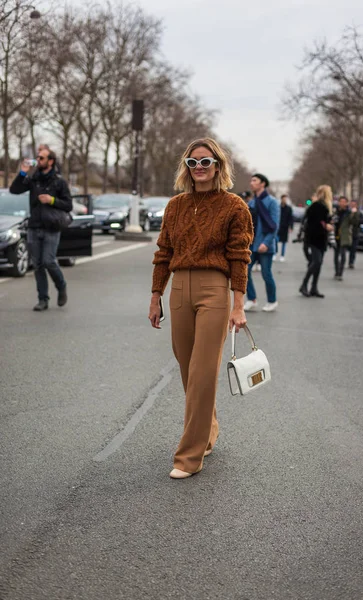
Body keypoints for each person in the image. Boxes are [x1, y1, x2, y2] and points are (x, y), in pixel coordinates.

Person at [148, 138, 253, 479]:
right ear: (187, 169)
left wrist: (239, 305)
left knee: (203, 371)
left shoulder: (235, 207)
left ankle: (188, 457)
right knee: (186, 369)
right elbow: (164, 252)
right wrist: (155, 297)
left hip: (213, 291)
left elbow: (240, 257)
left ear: (219, 166)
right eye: (193, 163)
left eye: (206, 162)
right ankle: (207, 430)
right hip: (179, 289)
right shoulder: (175, 206)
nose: (200, 168)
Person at [10, 148, 72, 311]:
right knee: (37, 264)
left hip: (51, 227)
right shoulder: (33, 179)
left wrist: (51, 200)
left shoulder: (59, 181)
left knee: (49, 261)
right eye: (37, 157)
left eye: (42, 158)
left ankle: (61, 285)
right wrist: (22, 173)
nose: (38, 160)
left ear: (50, 161)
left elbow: (68, 205)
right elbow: (14, 190)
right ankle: (43, 299)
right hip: (34, 226)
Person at [244, 173, 280, 312]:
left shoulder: (272, 202)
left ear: (263, 184)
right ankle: (252, 299)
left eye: (254, 180)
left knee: (266, 274)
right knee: (245, 272)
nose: (251, 183)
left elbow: (274, 225)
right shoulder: (252, 202)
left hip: (266, 245)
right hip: (251, 244)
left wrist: (266, 243)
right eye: (251, 180)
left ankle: (272, 301)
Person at [299, 185, 333, 298]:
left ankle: (314, 287)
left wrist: (328, 224)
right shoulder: (318, 205)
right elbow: (315, 222)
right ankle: (304, 284)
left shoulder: (323, 206)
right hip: (315, 238)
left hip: (321, 238)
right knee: (316, 262)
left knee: (318, 263)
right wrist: (326, 226)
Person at [333, 196, 358, 281]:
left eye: (344, 202)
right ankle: (336, 271)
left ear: (347, 203)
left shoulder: (349, 212)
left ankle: (340, 273)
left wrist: (354, 214)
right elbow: (331, 220)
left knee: (343, 255)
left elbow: (355, 222)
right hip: (336, 235)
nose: (342, 203)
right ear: (338, 202)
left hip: (344, 236)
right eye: (341, 201)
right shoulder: (335, 211)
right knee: (336, 255)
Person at [277, 194, 293, 262]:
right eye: (284, 199)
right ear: (281, 199)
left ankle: (282, 256)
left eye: (286, 199)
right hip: (278, 227)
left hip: (285, 227)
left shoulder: (289, 208)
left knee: (284, 242)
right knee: (275, 241)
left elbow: (291, 218)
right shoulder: (278, 207)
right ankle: (275, 253)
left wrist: (291, 227)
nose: (285, 200)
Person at [348, 200, 363, 269]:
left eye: (354, 205)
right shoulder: (347, 212)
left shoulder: (359, 213)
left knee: (353, 249)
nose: (353, 206)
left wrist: (355, 214)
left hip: (355, 234)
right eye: (352, 204)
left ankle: (351, 262)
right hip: (347, 234)